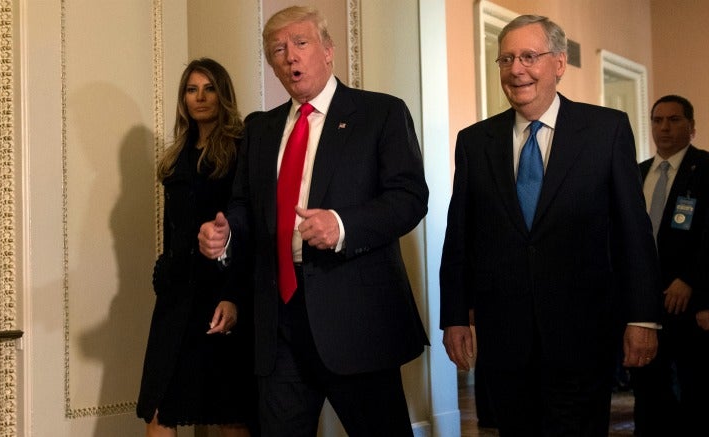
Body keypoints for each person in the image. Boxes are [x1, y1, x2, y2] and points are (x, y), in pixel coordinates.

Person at [198, 6, 429, 436]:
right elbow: (244, 206)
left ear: (328, 51)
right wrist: (225, 234)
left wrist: (342, 225)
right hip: (279, 323)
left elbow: (410, 198)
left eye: (301, 44)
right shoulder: (260, 129)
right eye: (278, 50)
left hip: (357, 322)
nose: (290, 57)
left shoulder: (380, 114)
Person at [439, 14, 662, 436]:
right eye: (506, 59)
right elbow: (460, 236)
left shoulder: (605, 131)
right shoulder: (475, 141)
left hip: (584, 334)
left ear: (559, 63)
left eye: (528, 56)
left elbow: (634, 231)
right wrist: (453, 315)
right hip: (504, 338)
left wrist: (643, 317)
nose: (516, 69)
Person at [137, 58, 256, 437]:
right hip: (175, 296)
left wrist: (234, 294)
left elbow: (247, 226)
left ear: (223, 94)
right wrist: (164, 270)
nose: (200, 97)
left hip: (219, 293)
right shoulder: (176, 156)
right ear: (183, 98)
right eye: (192, 89)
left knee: (226, 411)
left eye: (208, 88)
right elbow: (174, 229)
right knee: (158, 407)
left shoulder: (240, 148)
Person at [630, 95, 709, 436]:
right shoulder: (636, 173)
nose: (664, 127)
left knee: (696, 390)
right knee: (648, 388)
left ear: (692, 128)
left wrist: (691, 280)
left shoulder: (705, 169)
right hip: (643, 302)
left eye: (674, 120)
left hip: (689, 302)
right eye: (658, 120)